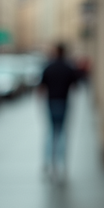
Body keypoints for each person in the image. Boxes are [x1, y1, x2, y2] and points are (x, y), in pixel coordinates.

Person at [39, 43, 79, 181]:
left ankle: (49, 163)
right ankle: (62, 166)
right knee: (62, 133)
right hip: (63, 102)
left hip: (51, 103)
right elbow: (75, 86)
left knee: (51, 133)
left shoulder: (49, 67)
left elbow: (41, 88)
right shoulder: (68, 67)